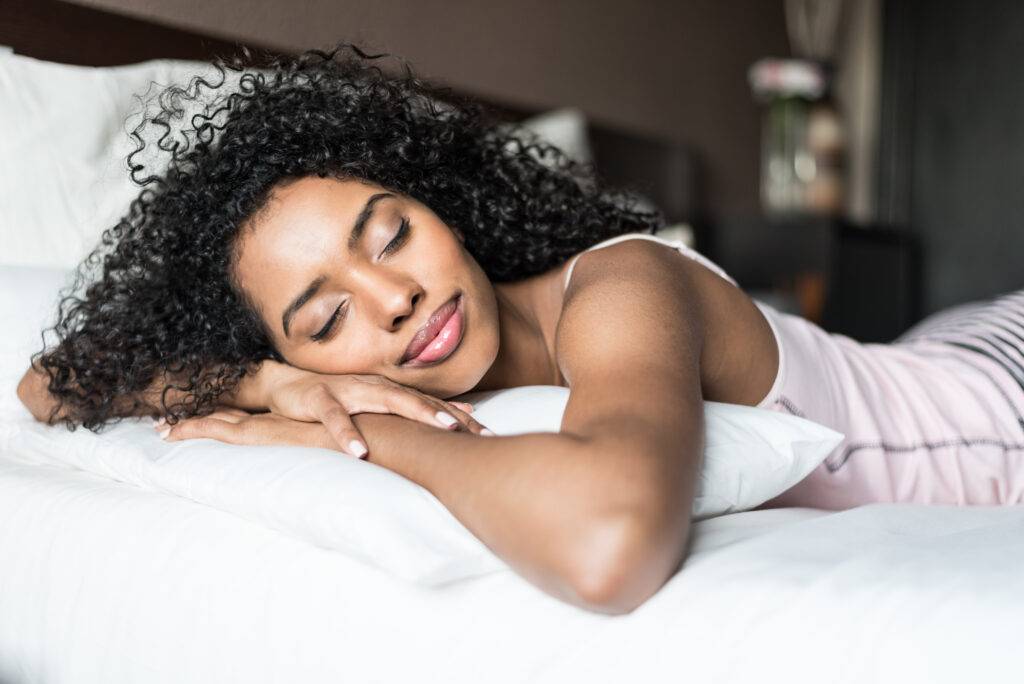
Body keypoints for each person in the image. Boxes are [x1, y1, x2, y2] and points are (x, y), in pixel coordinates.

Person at [14, 44, 1024, 616]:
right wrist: (268, 386)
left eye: (392, 234)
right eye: (325, 319)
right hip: (934, 355)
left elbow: (605, 544)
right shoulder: (307, 371)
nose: (394, 298)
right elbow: (48, 385)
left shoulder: (625, 284)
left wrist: (360, 432)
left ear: (441, 203)